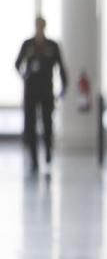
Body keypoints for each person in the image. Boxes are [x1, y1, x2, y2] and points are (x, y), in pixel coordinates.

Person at [14, 17, 68, 174]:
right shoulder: (27, 44)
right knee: (30, 124)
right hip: (30, 90)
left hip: (46, 90)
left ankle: (48, 152)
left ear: (45, 26)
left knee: (47, 123)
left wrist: (63, 88)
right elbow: (17, 64)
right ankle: (34, 159)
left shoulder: (52, 45)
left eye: (41, 26)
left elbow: (61, 68)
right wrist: (25, 75)